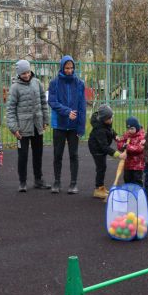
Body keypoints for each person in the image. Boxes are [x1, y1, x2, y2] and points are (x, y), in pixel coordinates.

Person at [6, 59, 51, 192]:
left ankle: (38, 180)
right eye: (23, 73)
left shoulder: (37, 83)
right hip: (22, 128)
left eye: (27, 72)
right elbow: (10, 109)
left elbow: (43, 102)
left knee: (38, 154)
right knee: (23, 156)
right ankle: (22, 182)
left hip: (37, 125)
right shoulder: (14, 87)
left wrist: (45, 120)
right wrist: (14, 128)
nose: (26, 75)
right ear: (19, 74)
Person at [48, 55, 86, 194]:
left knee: (73, 155)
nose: (69, 70)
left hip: (74, 126)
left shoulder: (80, 83)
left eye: (71, 68)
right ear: (62, 67)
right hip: (59, 124)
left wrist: (81, 126)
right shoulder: (54, 83)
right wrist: (67, 111)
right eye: (67, 68)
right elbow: (52, 102)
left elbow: (82, 106)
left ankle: (73, 184)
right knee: (57, 154)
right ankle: (57, 182)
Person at [87, 105, 125, 199]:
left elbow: (110, 130)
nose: (111, 119)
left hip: (101, 148)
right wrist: (118, 155)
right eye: (109, 118)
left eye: (112, 117)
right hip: (97, 149)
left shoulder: (105, 123)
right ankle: (98, 189)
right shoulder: (99, 130)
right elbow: (104, 147)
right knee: (101, 168)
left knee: (102, 167)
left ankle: (101, 187)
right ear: (104, 119)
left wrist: (115, 135)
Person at [116, 117, 146, 186]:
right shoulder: (127, 135)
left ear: (137, 127)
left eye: (132, 129)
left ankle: (137, 195)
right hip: (128, 164)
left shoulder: (141, 136)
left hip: (137, 165)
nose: (130, 131)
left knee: (137, 181)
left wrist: (127, 147)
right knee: (127, 179)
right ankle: (128, 194)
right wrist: (123, 145)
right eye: (128, 129)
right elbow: (120, 144)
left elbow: (139, 148)